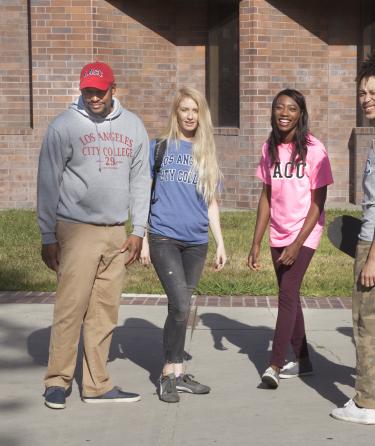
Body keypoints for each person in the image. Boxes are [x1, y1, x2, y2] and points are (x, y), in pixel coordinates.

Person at [37, 61, 150, 409]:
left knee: (104, 311)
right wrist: (47, 233)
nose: (93, 96)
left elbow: (141, 179)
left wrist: (139, 230)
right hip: (76, 229)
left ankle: (98, 384)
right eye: (88, 90)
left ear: (113, 89)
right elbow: (47, 180)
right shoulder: (64, 126)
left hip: (116, 231)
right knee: (71, 307)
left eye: (100, 91)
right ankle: (57, 382)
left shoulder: (133, 126)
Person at [140, 87, 227, 403]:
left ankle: (178, 372)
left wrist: (220, 243)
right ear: (176, 113)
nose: (190, 116)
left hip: (196, 243)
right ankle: (166, 373)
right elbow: (143, 194)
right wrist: (142, 238)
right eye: (184, 110)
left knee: (183, 307)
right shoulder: (159, 148)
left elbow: (211, 203)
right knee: (179, 304)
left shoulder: (206, 152)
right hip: (163, 237)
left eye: (195, 111)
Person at [247, 88, 333, 389]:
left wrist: (297, 243)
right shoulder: (268, 148)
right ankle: (305, 360)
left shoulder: (314, 149)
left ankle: (275, 363)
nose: (285, 113)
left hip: (305, 233)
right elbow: (266, 198)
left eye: (292, 109)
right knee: (290, 294)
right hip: (277, 232)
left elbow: (318, 203)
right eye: (279, 108)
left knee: (286, 294)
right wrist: (256, 241)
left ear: (301, 114)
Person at [331, 53, 375, 424]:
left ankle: (367, 403)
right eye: (362, 92)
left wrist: (372, 258)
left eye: (374, 91)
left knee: (366, 323)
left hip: (372, 244)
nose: (367, 98)